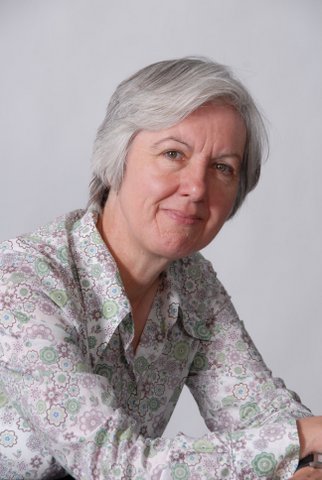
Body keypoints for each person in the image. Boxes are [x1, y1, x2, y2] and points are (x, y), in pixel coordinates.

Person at [0, 57, 321, 480]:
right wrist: (297, 440)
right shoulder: (22, 281)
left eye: (222, 167)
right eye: (174, 154)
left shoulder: (192, 282)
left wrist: (305, 461)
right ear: (118, 158)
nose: (196, 188)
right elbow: (111, 465)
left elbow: (262, 413)